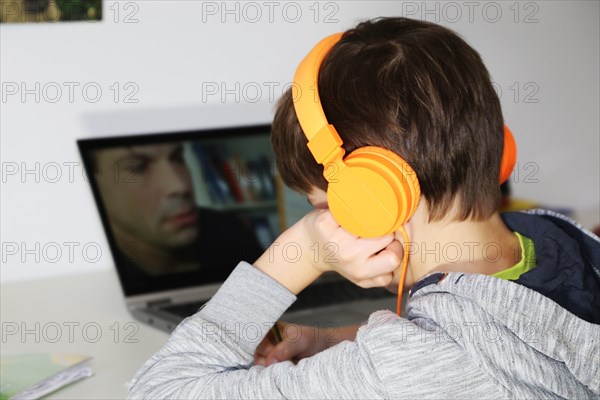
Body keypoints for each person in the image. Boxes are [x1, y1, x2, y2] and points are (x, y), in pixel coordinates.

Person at [128, 17, 600, 398]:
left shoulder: (415, 369)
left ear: (373, 199)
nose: (329, 229)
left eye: (327, 212)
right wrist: (333, 339)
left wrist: (305, 251)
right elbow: (477, 332)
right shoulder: (557, 237)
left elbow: (160, 390)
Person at [93, 142, 264, 282]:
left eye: (177, 158)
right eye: (139, 167)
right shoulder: (94, 272)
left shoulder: (228, 229)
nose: (180, 186)